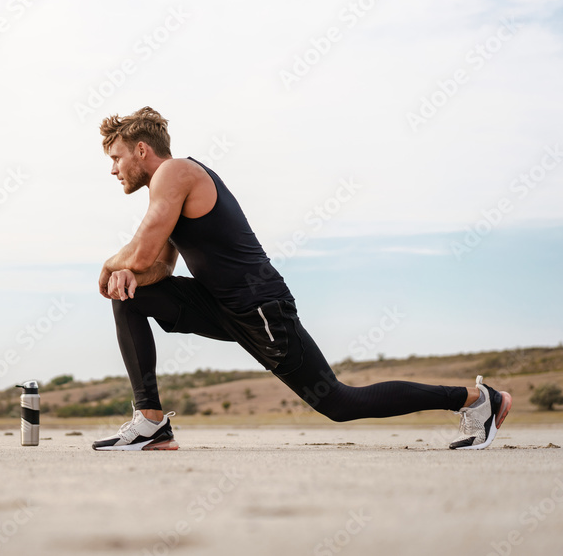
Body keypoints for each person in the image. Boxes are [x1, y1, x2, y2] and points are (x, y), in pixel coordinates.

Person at [91, 107, 511, 451]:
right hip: (218, 302)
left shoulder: (175, 173)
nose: (113, 169)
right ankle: (150, 421)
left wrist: (114, 265)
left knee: (340, 402)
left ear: (142, 150)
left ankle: (476, 400)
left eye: (115, 157)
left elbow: (142, 254)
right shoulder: (166, 189)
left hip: (259, 307)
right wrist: (126, 274)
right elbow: (159, 266)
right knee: (127, 297)